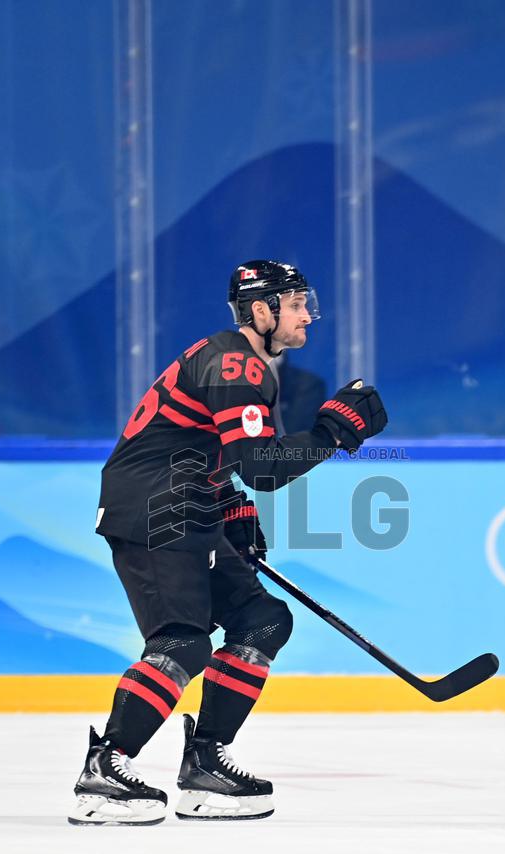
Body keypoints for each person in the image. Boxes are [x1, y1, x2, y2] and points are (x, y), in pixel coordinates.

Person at [69, 259, 388, 825]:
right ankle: (104, 768)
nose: (307, 315)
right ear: (260, 310)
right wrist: (330, 434)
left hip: (184, 500)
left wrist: (231, 506)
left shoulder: (237, 361)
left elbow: (205, 448)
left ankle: (203, 765)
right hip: (154, 507)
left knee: (262, 620)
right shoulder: (237, 364)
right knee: (183, 642)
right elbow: (263, 467)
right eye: (294, 304)